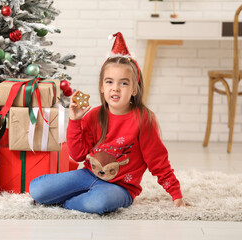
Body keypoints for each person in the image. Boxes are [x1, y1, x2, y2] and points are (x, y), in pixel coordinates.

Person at [29, 32, 186, 214]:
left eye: (124, 83)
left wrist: (176, 194)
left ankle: (66, 203)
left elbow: (158, 161)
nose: (115, 88)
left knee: (99, 202)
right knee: (37, 189)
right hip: (88, 175)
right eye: (109, 82)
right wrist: (75, 121)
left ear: (135, 88)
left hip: (120, 188)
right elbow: (78, 155)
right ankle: (78, 197)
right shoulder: (93, 115)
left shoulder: (144, 120)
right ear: (102, 87)